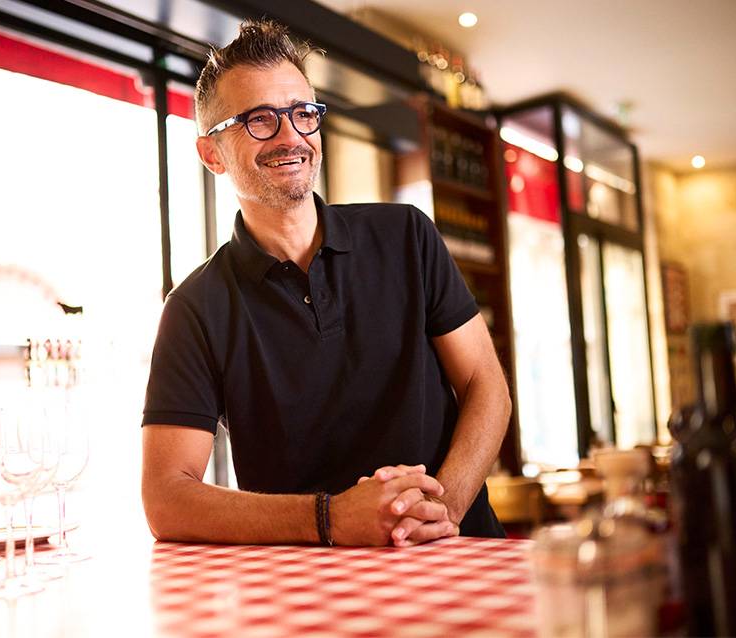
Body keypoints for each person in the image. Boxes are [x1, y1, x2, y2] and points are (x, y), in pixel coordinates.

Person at [141, 19, 510, 546]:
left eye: (303, 114)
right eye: (260, 120)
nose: (291, 136)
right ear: (211, 154)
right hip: (307, 594)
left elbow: (486, 386)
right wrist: (330, 518)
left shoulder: (407, 236)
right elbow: (165, 498)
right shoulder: (194, 308)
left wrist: (444, 507)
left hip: (458, 554)